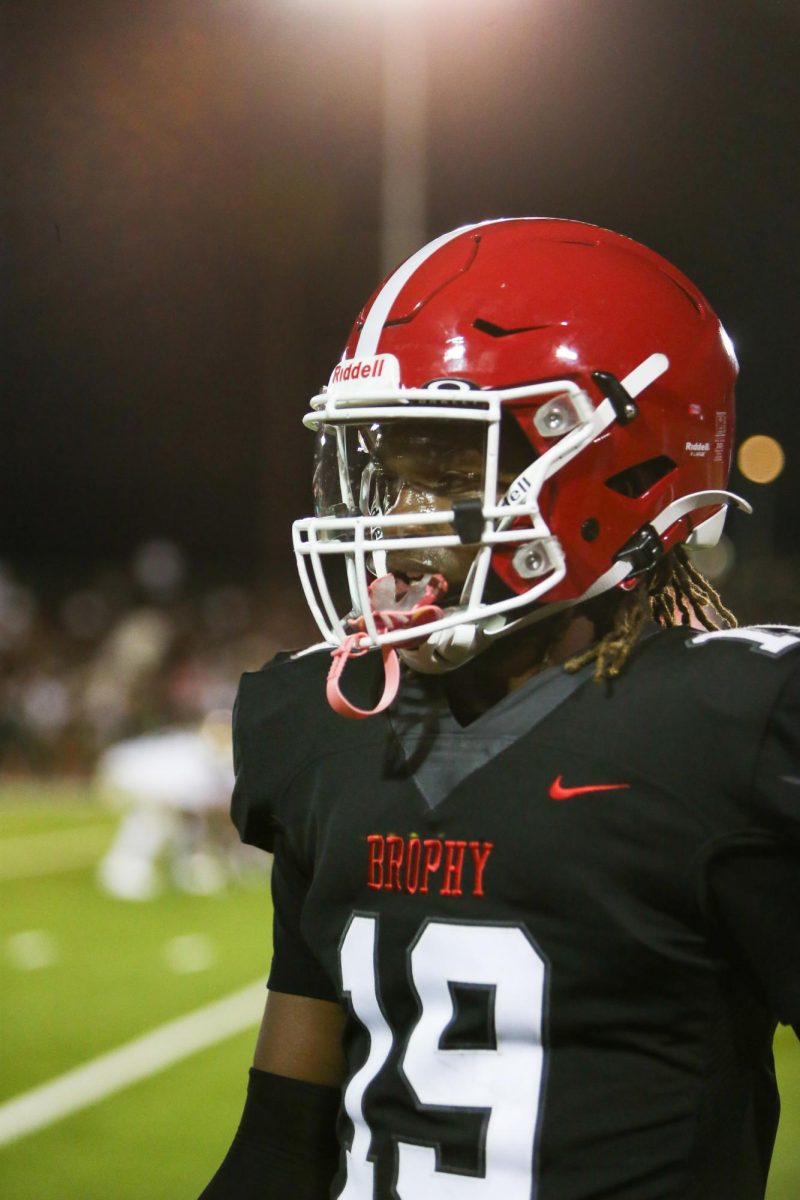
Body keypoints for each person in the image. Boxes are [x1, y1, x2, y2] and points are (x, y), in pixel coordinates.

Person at [199, 218, 800, 1200]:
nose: (397, 520)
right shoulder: (326, 728)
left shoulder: (730, 727)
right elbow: (280, 1137)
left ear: (613, 462)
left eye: (446, 470)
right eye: (389, 472)